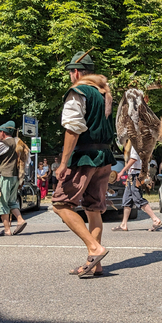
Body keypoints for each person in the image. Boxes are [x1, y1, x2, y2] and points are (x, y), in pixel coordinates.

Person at [52, 51, 115, 277]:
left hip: (84, 157)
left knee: (60, 204)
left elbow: (72, 128)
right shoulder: (103, 94)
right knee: (94, 208)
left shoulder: (78, 91)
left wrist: (63, 162)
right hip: (105, 157)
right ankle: (95, 263)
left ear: (76, 72)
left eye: (71, 72)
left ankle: (95, 248)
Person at [0, 121, 29, 237]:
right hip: (16, 176)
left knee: (0, 201)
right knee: (11, 201)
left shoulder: (5, 143)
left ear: (2, 132)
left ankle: (7, 230)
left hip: (5, 175)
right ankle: (20, 220)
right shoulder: (19, 142)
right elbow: (26, 161)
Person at [111, 141, 162, 232]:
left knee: (138, 198)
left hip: (135, 175)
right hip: (133, 174)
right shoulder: (141, 144)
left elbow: (134, 159)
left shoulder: (136, 144)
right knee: (127, 199)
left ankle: (155, 219)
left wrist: (122, 171)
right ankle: (124, 224)